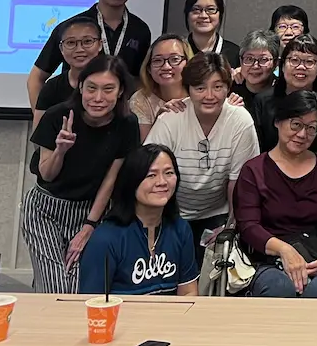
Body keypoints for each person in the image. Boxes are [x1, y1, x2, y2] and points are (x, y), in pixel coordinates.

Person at [22, 53, 139, 294]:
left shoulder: (127, 123)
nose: (98, 98)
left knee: (78, 287)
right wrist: (60, 151)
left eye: (108, 89)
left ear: (119, 92)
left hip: (89, 209)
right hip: (46, 208)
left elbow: (111, 179)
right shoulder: (58, 115)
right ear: (81, 88)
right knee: (55, 288)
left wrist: (89, 225)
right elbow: (47, 174)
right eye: (91, 88)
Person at [146, 52, 260, 269]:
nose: (209, 95)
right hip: (171, 211)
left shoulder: (240, 120)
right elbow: (149, 175)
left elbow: (239, 182)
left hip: (217, 212)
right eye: (200, 88)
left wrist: (230, 227)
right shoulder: (171, 119)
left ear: (228, 88)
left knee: (213, 270)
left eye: (218, 87)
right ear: (188, 89)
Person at [235, 90, 317, 298]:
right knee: (279, 289)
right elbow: (248, 226)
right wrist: (284, 250)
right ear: (278, 121)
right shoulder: (254, 170)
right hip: (268, 258)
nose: (303, 134)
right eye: (296, 124)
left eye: (311, 128)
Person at [26, 0, 151, 108]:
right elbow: (36, 78)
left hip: (120, 116)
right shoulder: (71, 28)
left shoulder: (140, 30)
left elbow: (140, 79)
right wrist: (42, 119)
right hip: (74, 112)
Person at [79, 144, 199, 295]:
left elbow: (189, 293)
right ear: (131, 181)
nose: (162, 182)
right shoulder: (105, 239)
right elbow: (93, 302)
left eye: (169, 173)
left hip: (172, 317)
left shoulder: (181, 229)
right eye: (151, 175)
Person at [251, 35, 317, 156]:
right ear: (282, 66)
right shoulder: (263, 101)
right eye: (294, 60)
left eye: (309, 62)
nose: (301, 67)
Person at [32, 16, 103, 127]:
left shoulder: (112, 85)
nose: (79, 49)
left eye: (87, 41)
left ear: (100, 45)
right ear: (61, 48)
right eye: (70, 43)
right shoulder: (51, 88)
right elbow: (40, 137)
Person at [130, 34, 192, 142]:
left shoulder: (199, 94)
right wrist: (159, 121)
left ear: (188, 63)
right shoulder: (141, 99)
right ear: (149, 68)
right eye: (158, 60)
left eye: (174, 59)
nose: (166, 67)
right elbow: (145, 152)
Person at [184, 0, 242, 68]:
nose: (203, 15)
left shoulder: (235, 54)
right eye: (196, 9)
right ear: (187, 14)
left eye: (210, 9)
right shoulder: (177, 52)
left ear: (220, 14)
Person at [232, 29, 280, 112]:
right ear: (241, 61)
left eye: (263, 59)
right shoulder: (231, 88)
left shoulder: (282, 90)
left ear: (275, 63)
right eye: (249, 59)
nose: (255, 66)